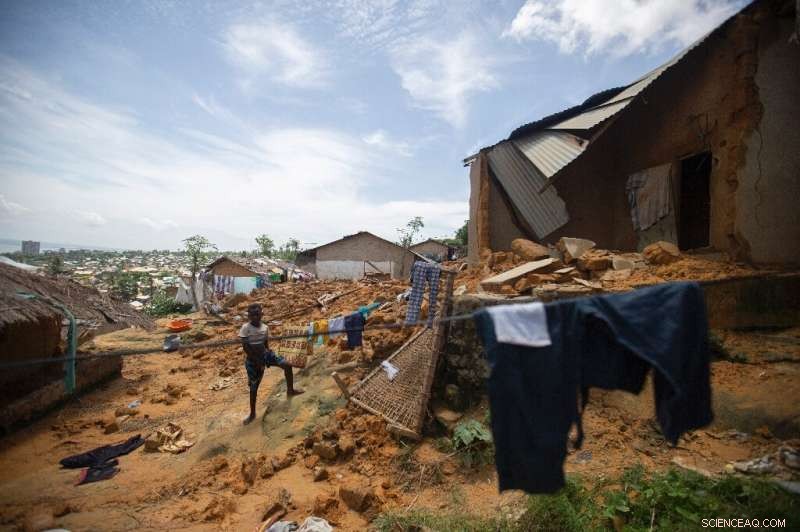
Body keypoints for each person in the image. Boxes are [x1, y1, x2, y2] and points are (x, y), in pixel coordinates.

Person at [239, 303, 303, 425]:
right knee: (254, 387)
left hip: (265, 355)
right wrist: (258, 361)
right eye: (252, 315)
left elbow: (265, 342)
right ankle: (252, 414)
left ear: (262, 314)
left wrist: (268, 352)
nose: (255, 317)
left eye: (257, 314)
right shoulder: (245, 328)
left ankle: (290, 390)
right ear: (248, 316)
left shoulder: (265, 327)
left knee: (287, 364)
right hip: (252, 361)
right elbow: (246, 348)